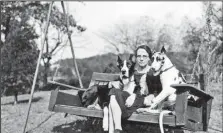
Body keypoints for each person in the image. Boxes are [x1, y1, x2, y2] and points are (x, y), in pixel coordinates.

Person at [108, 45, 162, 133]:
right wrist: (112, 83)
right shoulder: (133, 72)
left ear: (149, 58)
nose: (141, 59)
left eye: (144, 56)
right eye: (139, 56)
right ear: (135, 58)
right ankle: (118, 129)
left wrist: (134, 95)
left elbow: (158, 92)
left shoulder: (153, 73)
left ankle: (118, 127)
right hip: (129, 100)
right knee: (114, 92)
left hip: (144, 101)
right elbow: (120, 83)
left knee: (112, 100)